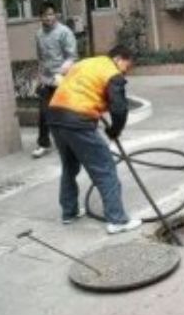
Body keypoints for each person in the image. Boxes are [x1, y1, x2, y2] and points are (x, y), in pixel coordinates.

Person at [47, 45, 142, 234]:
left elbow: (82, 88)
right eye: (127, 66)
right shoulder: (112, 72)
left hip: (55, 116)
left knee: (70, 166)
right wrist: (115, 131)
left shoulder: (87, 63)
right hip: (78, 121)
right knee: (105, 168)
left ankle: (69, 212)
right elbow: (119, 108)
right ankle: (117, 220)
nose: (126, 72)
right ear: (118, 58)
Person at [32, 1, 78, 159]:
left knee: (66, 113)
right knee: (44, 113)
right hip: (47, 80)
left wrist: (62, 73)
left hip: (63, 78)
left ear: (56, 15)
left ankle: (71, 142)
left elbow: (72, 57)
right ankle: (44, 143)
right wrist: (39, 78)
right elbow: (40, 58)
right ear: (40, 17)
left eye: (51, 14)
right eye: (45, 15)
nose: (48, 17)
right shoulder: (38, 34)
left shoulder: (64, 32)